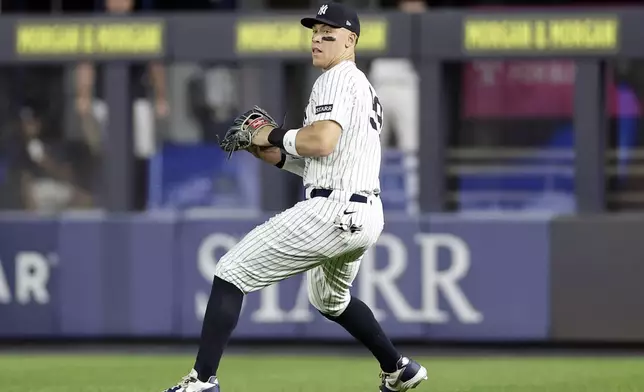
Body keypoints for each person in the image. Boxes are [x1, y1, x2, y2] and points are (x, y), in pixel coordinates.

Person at [162, 3, 428, 392]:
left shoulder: (336, 79)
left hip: (334, 209)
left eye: (329, 34)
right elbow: (326, 160)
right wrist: (272, 152)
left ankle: (202, 382)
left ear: (350, 41)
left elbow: (320, 142)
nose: (318, 40)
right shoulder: (364, 89)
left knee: (231, 271)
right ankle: (398, 368)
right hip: (364, 212)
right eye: (315, 32)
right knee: (330, 300)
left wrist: (271, 135)